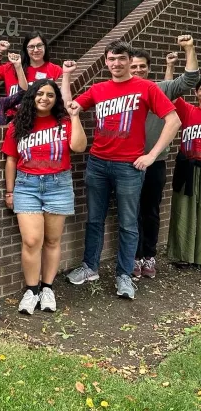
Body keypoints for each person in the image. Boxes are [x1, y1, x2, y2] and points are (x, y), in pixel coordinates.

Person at [62, 42, 180, 300]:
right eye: (112, 59)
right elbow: (72, 107)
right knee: (94, 219)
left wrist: (151, 155)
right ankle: (90, 267)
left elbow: (174, 120)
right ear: (106, 62)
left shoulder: (146, 87)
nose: (117, 63)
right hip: (98, 163)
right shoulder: (98, 89)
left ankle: (124, 275)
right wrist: (66, 76)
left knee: (128, 223)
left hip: (129, 166)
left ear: (129, 60)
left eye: (122, 59)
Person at [2, 79, 87, 314]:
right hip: (26, 185)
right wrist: (10, 191)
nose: (44, 98)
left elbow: (79, 147)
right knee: (31, 240)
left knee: (51, 240)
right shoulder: (18, 125)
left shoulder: (65, 122)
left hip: (58, 184)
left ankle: (48, 287)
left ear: (55, 99)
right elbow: (10, 159)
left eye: (50, 95)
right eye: (40, 94)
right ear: (32, 96)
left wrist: (76, 117)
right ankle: (31, 290)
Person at [129, 35, 199, 279]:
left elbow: (190, 79)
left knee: (150, 211)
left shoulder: (157, 89)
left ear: (148, 70)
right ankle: (134, 258)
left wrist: (189, 48)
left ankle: (148, 256)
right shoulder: (118, 93)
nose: (137, 70)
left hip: (155, 163)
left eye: (142, 67)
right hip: (126, 165)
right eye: (133, 66)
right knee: (131, 213)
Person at [166, 82, 201, 266]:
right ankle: (183, 255)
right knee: (184, 211)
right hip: (187, 167)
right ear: (196, 93)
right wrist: (170, 67)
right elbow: (170, 93)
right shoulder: (188, 110)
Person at [0, 31, 62, 97]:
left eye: (39, 45)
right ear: (26, 49)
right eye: (31, 47)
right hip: (14, 112)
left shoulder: (55, 70)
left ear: (45, 47)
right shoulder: (12, 67)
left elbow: (62, 96)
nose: (36, 50)